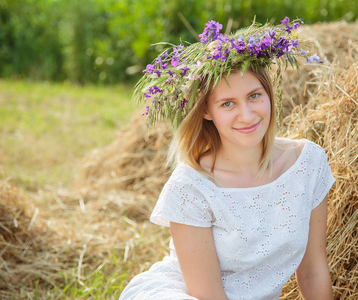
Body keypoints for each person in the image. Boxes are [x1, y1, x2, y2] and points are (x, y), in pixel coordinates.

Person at [120, 18, 334, 300]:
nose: (246, 115)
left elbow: (312, 271)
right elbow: (208, 295)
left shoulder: (308, 164)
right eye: (228, 104)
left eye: (254, 96)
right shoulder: (191, 186)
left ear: (269, 95)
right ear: (207, 112)